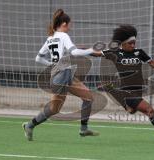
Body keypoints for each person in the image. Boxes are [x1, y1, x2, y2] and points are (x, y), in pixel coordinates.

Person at [22, 9, 101, 141]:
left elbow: (38, 58)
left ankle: (83, 129)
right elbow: (74, 52)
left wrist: (52, 64)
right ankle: (30, 125)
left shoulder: (50, 38)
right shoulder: (63, 36)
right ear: (64, 23)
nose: (71, 27)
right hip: (62, 75)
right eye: (70, 24)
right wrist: (91, 50)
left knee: (88, 98)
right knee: (54, 109)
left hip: (64, 73)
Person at [97, 25, 154, 134]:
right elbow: (97, 53)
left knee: (132, 111)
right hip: (127, 91)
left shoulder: (139, 53)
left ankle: (119, 97)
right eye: (130, 43)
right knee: (149, 110)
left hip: (138, 90)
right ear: (123, 43)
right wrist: (78, 51)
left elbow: (152, 63)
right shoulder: (115, 53)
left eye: (134, 42)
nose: (133, 45)